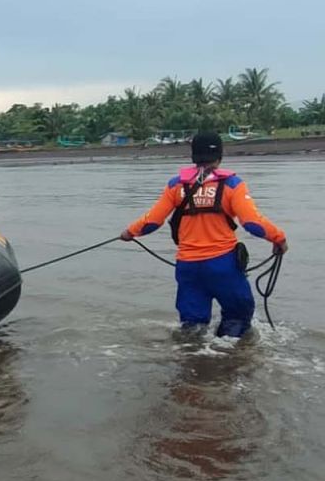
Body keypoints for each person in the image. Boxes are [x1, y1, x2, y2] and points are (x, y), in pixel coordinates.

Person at [120, 131, 288, 337]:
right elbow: (253, 223)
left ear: (193, 156)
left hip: (188, 268)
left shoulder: (176, 185)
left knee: (192, 327)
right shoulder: (232, 184)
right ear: (220, 155)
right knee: (237, 318)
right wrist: (279, 238)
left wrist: (129, 232)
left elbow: (152, 222)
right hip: (222, 265)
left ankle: (192, 362)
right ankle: (230, 360)